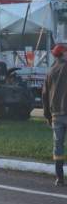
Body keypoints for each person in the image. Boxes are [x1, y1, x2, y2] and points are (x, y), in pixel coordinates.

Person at [42, 44, 67, 186]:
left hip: (56, 115)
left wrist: (47, 116)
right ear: (63, 54)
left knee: (58, 145)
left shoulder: (50, 71)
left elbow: (44, 95)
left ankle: (59, 178)